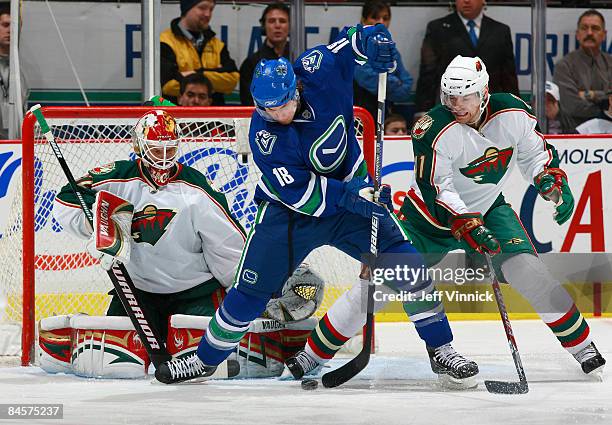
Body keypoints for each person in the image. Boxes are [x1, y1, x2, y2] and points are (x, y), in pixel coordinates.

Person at [155, 23, 479, 387]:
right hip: (288, 216)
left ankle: (441, 350)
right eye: (268, 108)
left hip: (351, 196)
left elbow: (352, 43)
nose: (277, 114)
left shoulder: (319, 66)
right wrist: (355, 197)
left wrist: (375, 40)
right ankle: (204, 360)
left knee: (408, 267)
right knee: (249, 294)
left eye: (283, 104)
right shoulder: (264, 138)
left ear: (297, 85)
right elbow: (305, 196)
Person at [400, 55, 606, 377]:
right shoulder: (433, 128)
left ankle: (581, 345)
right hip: (427, 217)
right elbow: (438, 189)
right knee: (392, 276)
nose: (456, 104)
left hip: (488, 208)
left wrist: (549, 182)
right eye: (449, 97)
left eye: (464, 97)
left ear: (483, 94)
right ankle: (438, 350)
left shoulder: (512, 113)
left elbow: (535, 155)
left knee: (530, 271)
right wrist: (468, 222)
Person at [414, 0, 518, 117]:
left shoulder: (500, 31)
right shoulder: (438, 28)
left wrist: (515, 109)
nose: (466, 1)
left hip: (491, 108)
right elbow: (428, 74)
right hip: (452, 108)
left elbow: (508, 76)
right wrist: (422, 111)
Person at [161, 0, 239, 105]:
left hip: (215, 118)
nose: (208, 14)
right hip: (176, 117)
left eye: (211, 9)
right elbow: (167, 86)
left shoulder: (217, 44)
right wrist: (215, 74)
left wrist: (197, 73)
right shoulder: (165, 42)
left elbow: (232, 80)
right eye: (202, 8)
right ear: (187, 8)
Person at [553, 9, 612, 131]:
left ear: (604, 34)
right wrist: (605, 106)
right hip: (575, 135)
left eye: (595, 28)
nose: (589, 33)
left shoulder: (610, 63)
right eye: (584, 28)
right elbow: (571, 106)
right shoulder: (564, 66)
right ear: (577, 34)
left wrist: (591, 95)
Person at [353, 0, 412, 121]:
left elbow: (407, 86)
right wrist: (395, 82)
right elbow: (367, 79)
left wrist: (389, 84)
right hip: (358, 116)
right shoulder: (355, 46)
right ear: (363, 20)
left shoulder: (391, 48)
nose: (381, 22)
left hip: (385, 114)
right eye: (375, 18)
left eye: (385, 18)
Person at [239, 3, 290, 106]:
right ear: (264, 26)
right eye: (271, 21)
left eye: (282, 21)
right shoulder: (251, 63)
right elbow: (248, 102)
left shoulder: (299, 58)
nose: (277, 25)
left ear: (290, 26)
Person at [0, 3, 27, 139]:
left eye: (13, 25)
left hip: (15, 143)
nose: (10, 30)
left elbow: (24, 111)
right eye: (5, 25)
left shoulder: (18, 69)